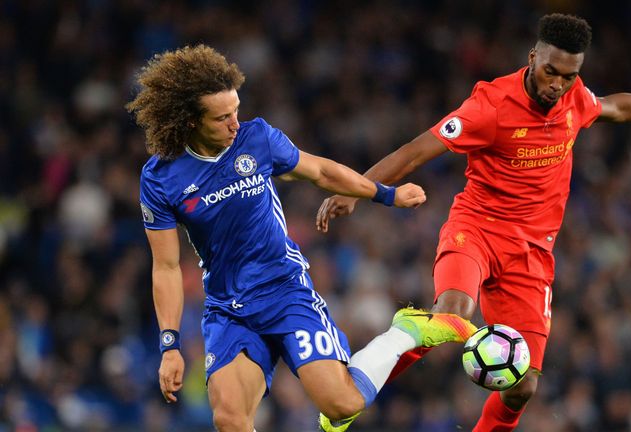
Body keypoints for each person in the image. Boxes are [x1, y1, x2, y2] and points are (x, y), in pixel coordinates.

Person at [317, 13, 631, 431]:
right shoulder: (489, 107)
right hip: (476, 229)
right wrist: (358, 190)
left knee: (522, 386)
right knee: (453, 315)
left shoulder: (573, 98)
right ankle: (347, 395)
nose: (557, 85)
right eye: (550, 72)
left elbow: (615, 107)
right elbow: (417, 150)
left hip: (531, 253)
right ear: (532, 57)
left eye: (568, 76)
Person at [125, 44, 477, 432]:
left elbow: (322, 172)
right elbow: (167, 265)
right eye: (222, 118)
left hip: (284, 291)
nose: (235, 124)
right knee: (229, 420)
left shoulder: (256, 139)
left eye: (236, 111)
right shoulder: (160, 178)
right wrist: (170, 345)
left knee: (342, 405)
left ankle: (405, 331)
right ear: (190, 121)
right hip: (229, 309)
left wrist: (386, 194)